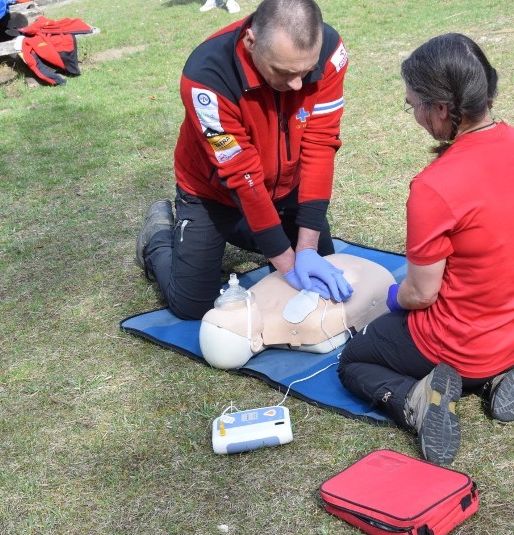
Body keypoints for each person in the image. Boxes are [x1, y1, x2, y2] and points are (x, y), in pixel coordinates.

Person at [337, 33, 514, 465]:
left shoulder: (435, 186)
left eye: (413, 104)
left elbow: (421, 294)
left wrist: (391, 298)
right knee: (476, 340)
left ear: (441, 108)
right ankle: (507, 368)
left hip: (458, 345)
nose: (414, 114)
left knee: (355, 361)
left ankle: (417, 399)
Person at [135, 0, 353, 321]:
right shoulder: (206, 77)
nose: (297, 85)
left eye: (305, 73)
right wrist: (286, 262)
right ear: (251, 41)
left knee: (322, 265)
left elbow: (321, 145)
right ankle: (158, 237)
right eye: (284, 72)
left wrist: (306, 248)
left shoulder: (330, 52)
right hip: (214, 192)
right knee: (192, 305)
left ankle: (247, 231)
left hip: (286, 186)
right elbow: (242, 176)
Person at [199, 253, 394, 369]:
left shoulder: (253, 298)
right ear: (256, 343)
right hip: (373, 276)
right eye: (231, 313)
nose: (229, 303)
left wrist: (306, 250)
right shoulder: (306, 324)